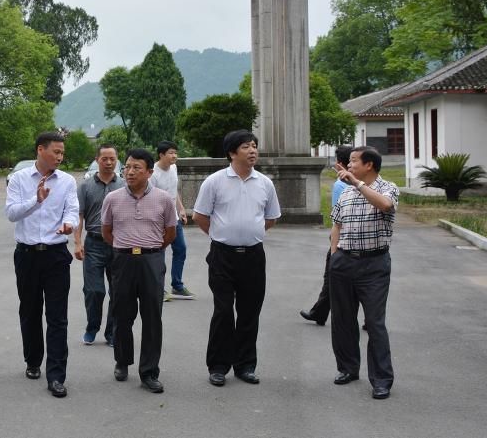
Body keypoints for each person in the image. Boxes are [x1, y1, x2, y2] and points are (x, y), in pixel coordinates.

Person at [192, 130, 281, 387]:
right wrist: (221, 235)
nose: (252, 151)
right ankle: (218, 366)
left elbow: (271, 218)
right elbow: (200, 216)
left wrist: (250, 233)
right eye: (246, 147)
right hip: (222, 255)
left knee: (249, 311)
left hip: (253, 256)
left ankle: (245, 366)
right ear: (232, 153)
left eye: (254, 146)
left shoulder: (265, 183)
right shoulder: (214, 182)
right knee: (223, 311)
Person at [5, 132, 79, 398]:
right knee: (30, 310)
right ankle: (33, 361)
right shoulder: (19, 179)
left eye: (62, 153)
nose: (60, 157)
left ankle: (56, 376)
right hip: (26, 255)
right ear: (40, 150)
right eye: (56, 152)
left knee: (57, 317)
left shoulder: (68, 181)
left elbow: (72, 211)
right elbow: (11, 213)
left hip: (56, 255)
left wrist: (69, 225)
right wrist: (35, 200)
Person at [101, 148, 177, 393]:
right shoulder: (112, 198)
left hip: (152, 260)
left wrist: (151, 250)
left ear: (149, 172)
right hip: (122, 261)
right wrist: (124, 248)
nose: (130, 172)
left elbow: (170, 233)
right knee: (121, 315)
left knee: (152, 317)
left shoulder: (164, 199)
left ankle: (149, 372)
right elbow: (107, 232)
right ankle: (122, 361)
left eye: (137, 168)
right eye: (127, 167)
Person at [328, 146, 399, 400]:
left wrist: (357, 184)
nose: (349, 165)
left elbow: (385, 205)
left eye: (354, 161)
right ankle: (348, 368)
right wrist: (334, 255)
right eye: (349, 162)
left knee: (375, 323)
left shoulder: (388, 188)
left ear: (369, 164)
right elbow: (336, 225)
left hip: (374, 265)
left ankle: (381, 379)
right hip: (344, 262)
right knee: (343, 320)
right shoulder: (346, 192)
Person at [74, 143, 125, 346]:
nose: (109, 162)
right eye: (105, 159)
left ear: (117, 160)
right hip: (94, 244)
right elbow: (79, 216)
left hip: (118, 244)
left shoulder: (124, 185)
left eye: (112, 158)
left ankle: (112, 332)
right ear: (97, 160)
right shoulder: (85, 187)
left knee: (118, 291)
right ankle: (92, 327)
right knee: (94, 290)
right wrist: (77, 243)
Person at [300, 145, 352, 326]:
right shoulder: (365, 183)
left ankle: (319, 312)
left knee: (331, 276)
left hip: (342, 237)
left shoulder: (340, 184)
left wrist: (335, 244)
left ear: (339, 163)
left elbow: (338, 216)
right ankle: (370, 319)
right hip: (359, 239)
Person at [149, 140, 195, 300]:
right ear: (161, 155)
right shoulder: (153, 174)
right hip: (159, 220)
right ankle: (158, 288)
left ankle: (177, 286)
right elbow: (150, 198)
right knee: (159, 254)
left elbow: (173, 191)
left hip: (173, 218)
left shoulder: (174, 168)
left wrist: (181, 209)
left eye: (176, 152)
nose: (174, 156)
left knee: (181, 249)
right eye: (171, 153)